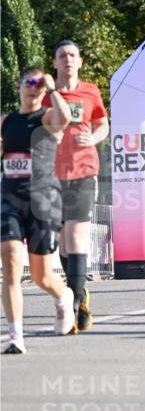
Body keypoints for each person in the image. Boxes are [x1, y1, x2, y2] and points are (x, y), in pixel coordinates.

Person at [2, 66, 74, 353]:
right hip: (9, 198)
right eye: (28, 82)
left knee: (40, 276)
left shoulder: (46, 117)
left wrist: (53, 87)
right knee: (10, 262)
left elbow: (64, 118)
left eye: (38, 83)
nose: (33, 87)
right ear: (19, 85)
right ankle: (15, 336)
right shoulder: (7, 121)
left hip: (43, 200)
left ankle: (62, 297)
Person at [46, 40, 109, 332]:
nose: (68, 59)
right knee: (62, 242)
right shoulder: (45, 92)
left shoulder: (91, 91)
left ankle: (74, 305)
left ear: (80, 61)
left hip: (84, 171)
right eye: (62, 55)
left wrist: (93, 138)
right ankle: (79, 291)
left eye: (72, 55)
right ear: (55, 62)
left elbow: (103, 124)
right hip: (51, 174)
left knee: (76, 236)